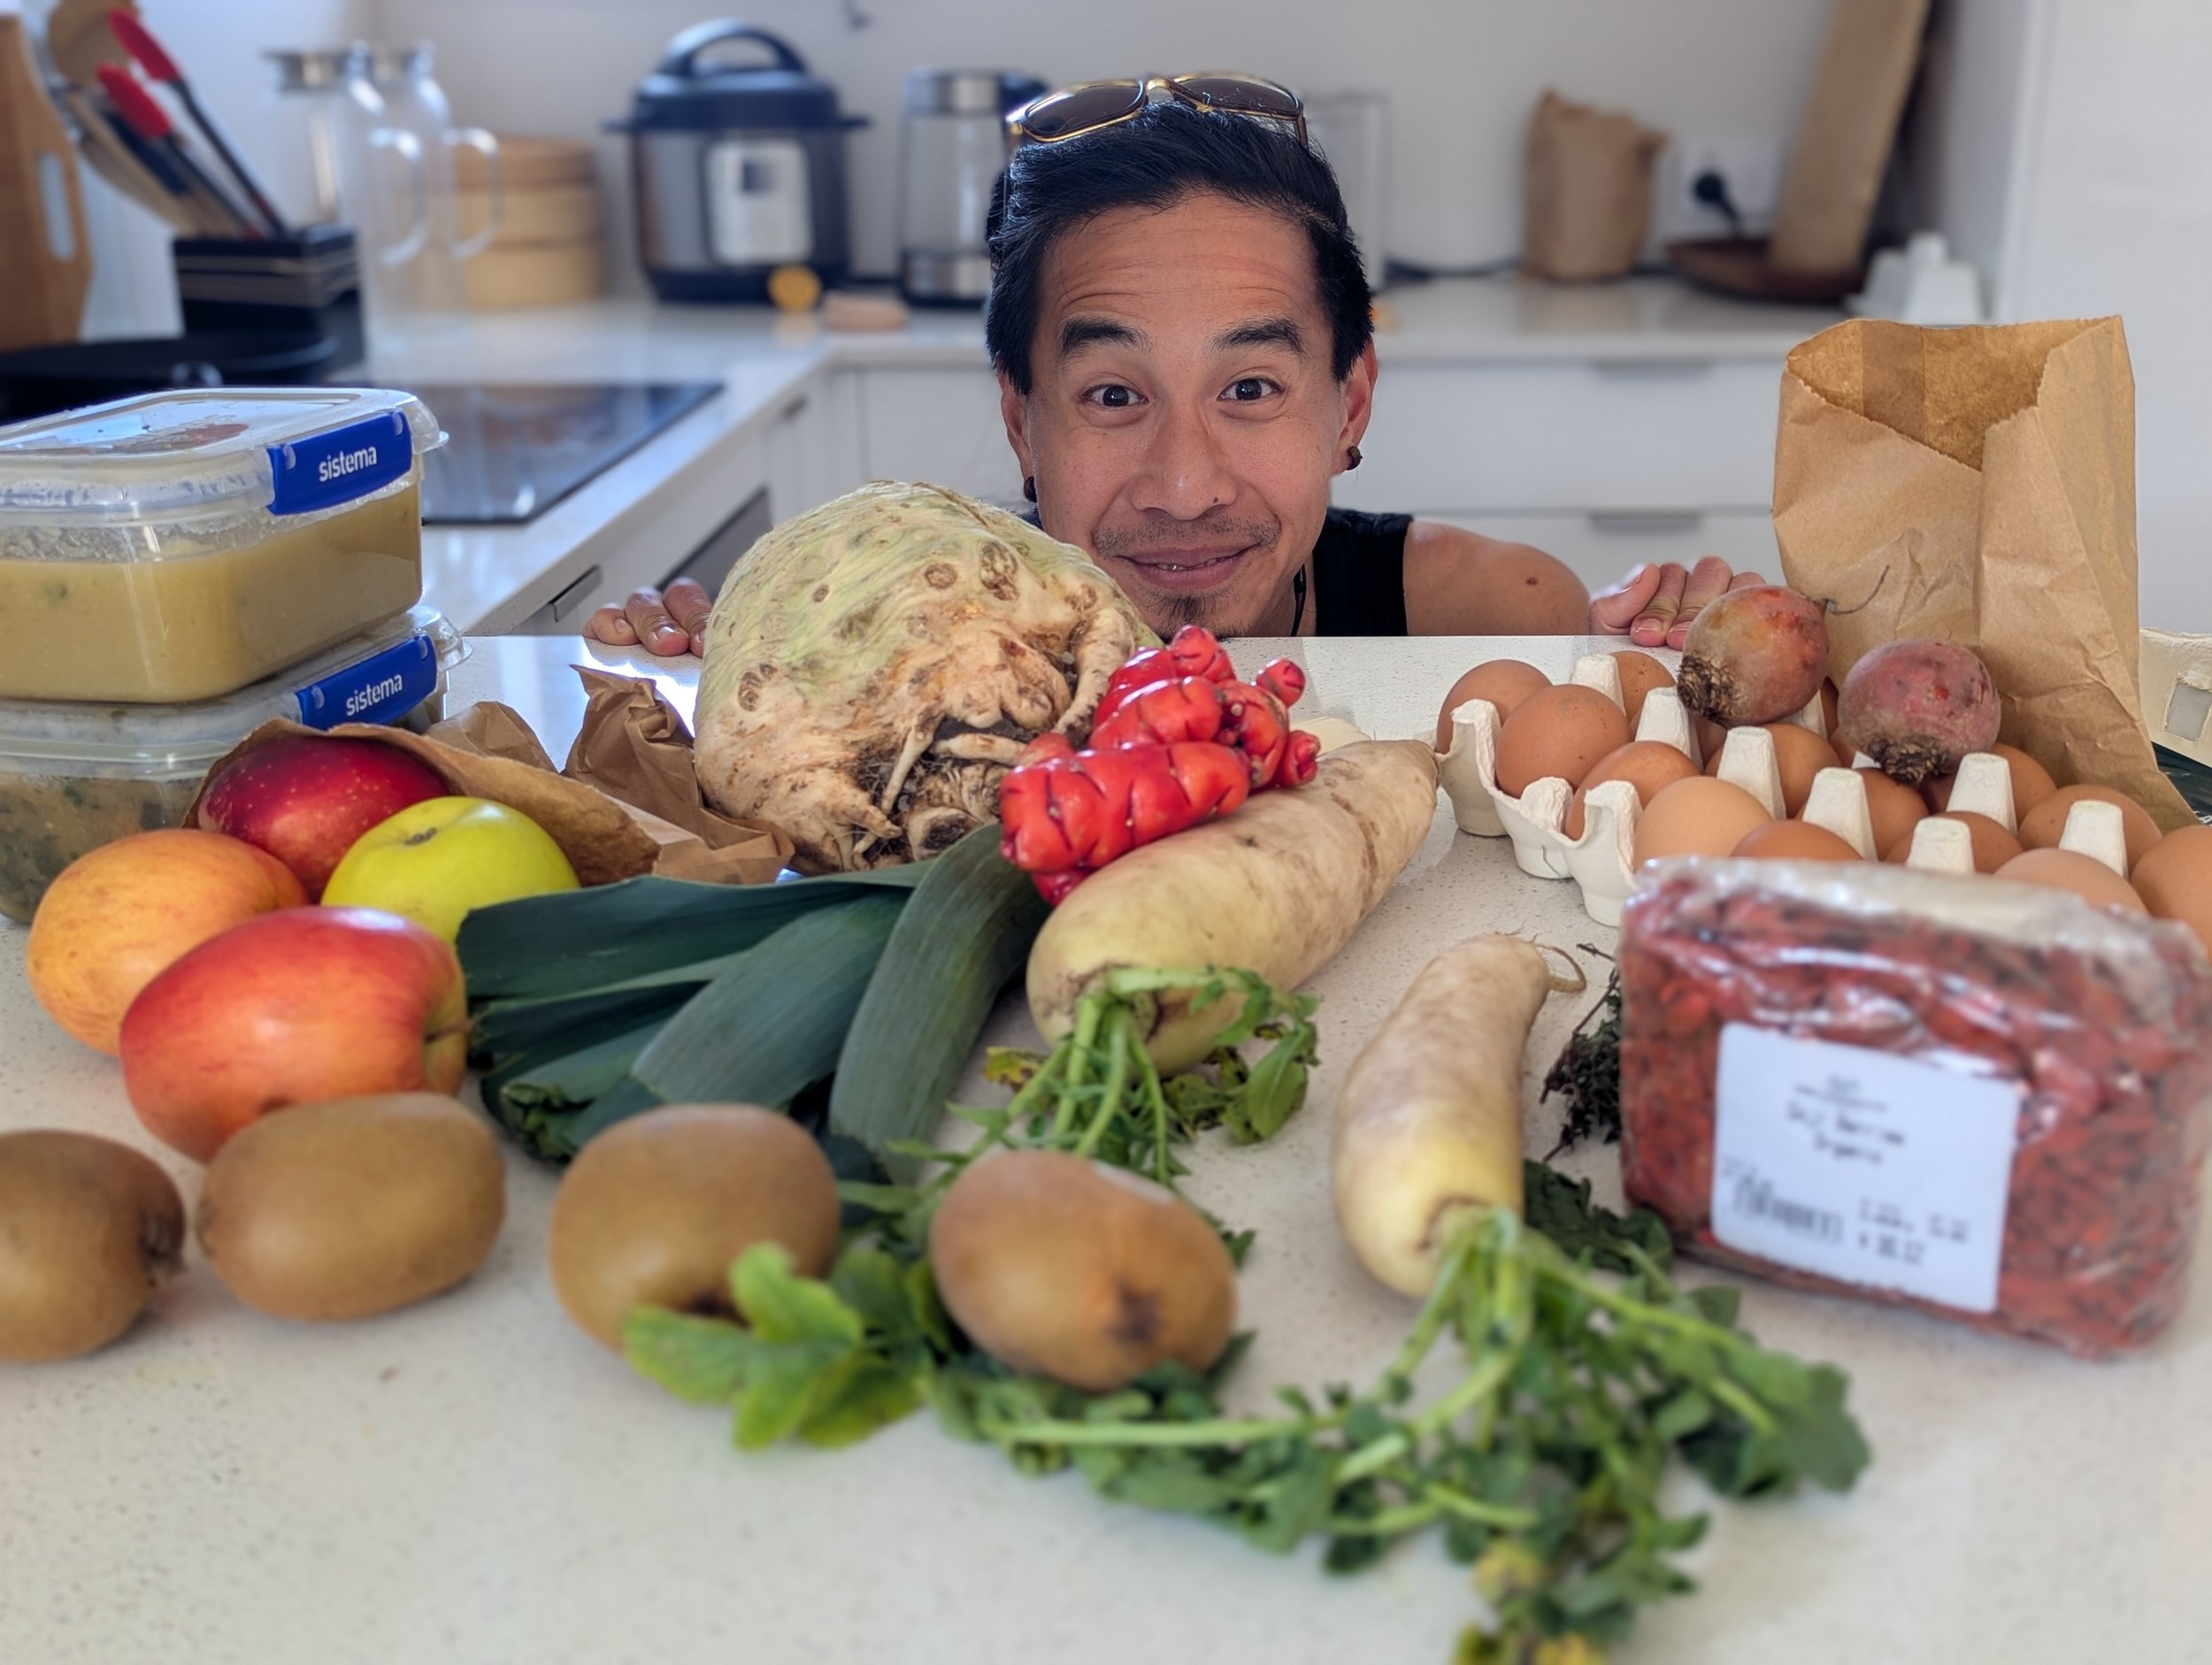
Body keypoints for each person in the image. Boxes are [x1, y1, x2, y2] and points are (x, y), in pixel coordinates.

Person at [588, 77, 1758, 656]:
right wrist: (704, 692)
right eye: (1111, 396)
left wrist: (1651, 683)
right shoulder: (908, 645)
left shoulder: (1478, 617)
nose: (1186, 486)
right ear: (1020, 423)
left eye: (1249, 390)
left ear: (1348, 404)